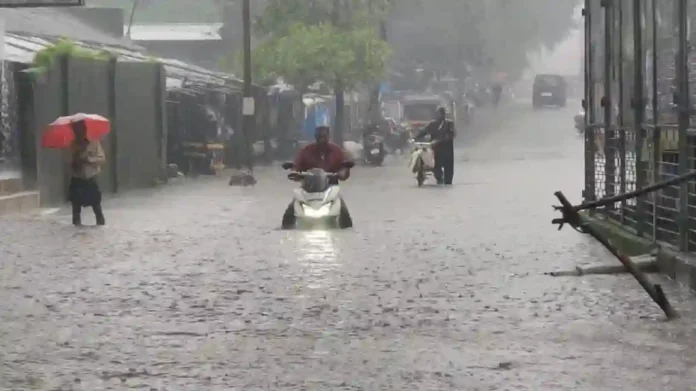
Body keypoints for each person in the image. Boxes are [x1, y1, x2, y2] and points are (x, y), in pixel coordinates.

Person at [282, 125, 352, 228]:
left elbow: (344, 166)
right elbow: (297, 165)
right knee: (291, 209)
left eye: (324, 137)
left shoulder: (337, 151)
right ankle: (285, 228)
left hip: (330, 188)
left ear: (328, 137)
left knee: (344, 212)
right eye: (319, 137)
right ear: (315, 137)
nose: (322, 139)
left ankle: (347, 229)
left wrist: (343, 171)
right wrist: (294, 172)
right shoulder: (306, 151)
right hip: (308, 188)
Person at [69, 120, 106, 226]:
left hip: (90, 179)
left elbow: (102, 158)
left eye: (81, 129)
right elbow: (69, 163)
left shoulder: (94, 142)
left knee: (97, 208)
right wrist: (76, 159)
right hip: (77, 180)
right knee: (76, 209)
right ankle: (76, 229)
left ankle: (101, 226)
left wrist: (90, 159)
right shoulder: (72, 145)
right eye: (76, 130)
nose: (79, 132)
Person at [414, 106, 456, 185]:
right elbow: (424, 131)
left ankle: (448, 182)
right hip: (436, 149)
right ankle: (439, 179)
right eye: (438, 113)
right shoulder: (432, 124)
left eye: (441, 113)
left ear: (444, 114)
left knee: (449, 169)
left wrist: (439, 140)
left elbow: (451, 134)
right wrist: (415, 138)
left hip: (447, 150)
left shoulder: (449, 124)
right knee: (436, 165)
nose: (440, 115)